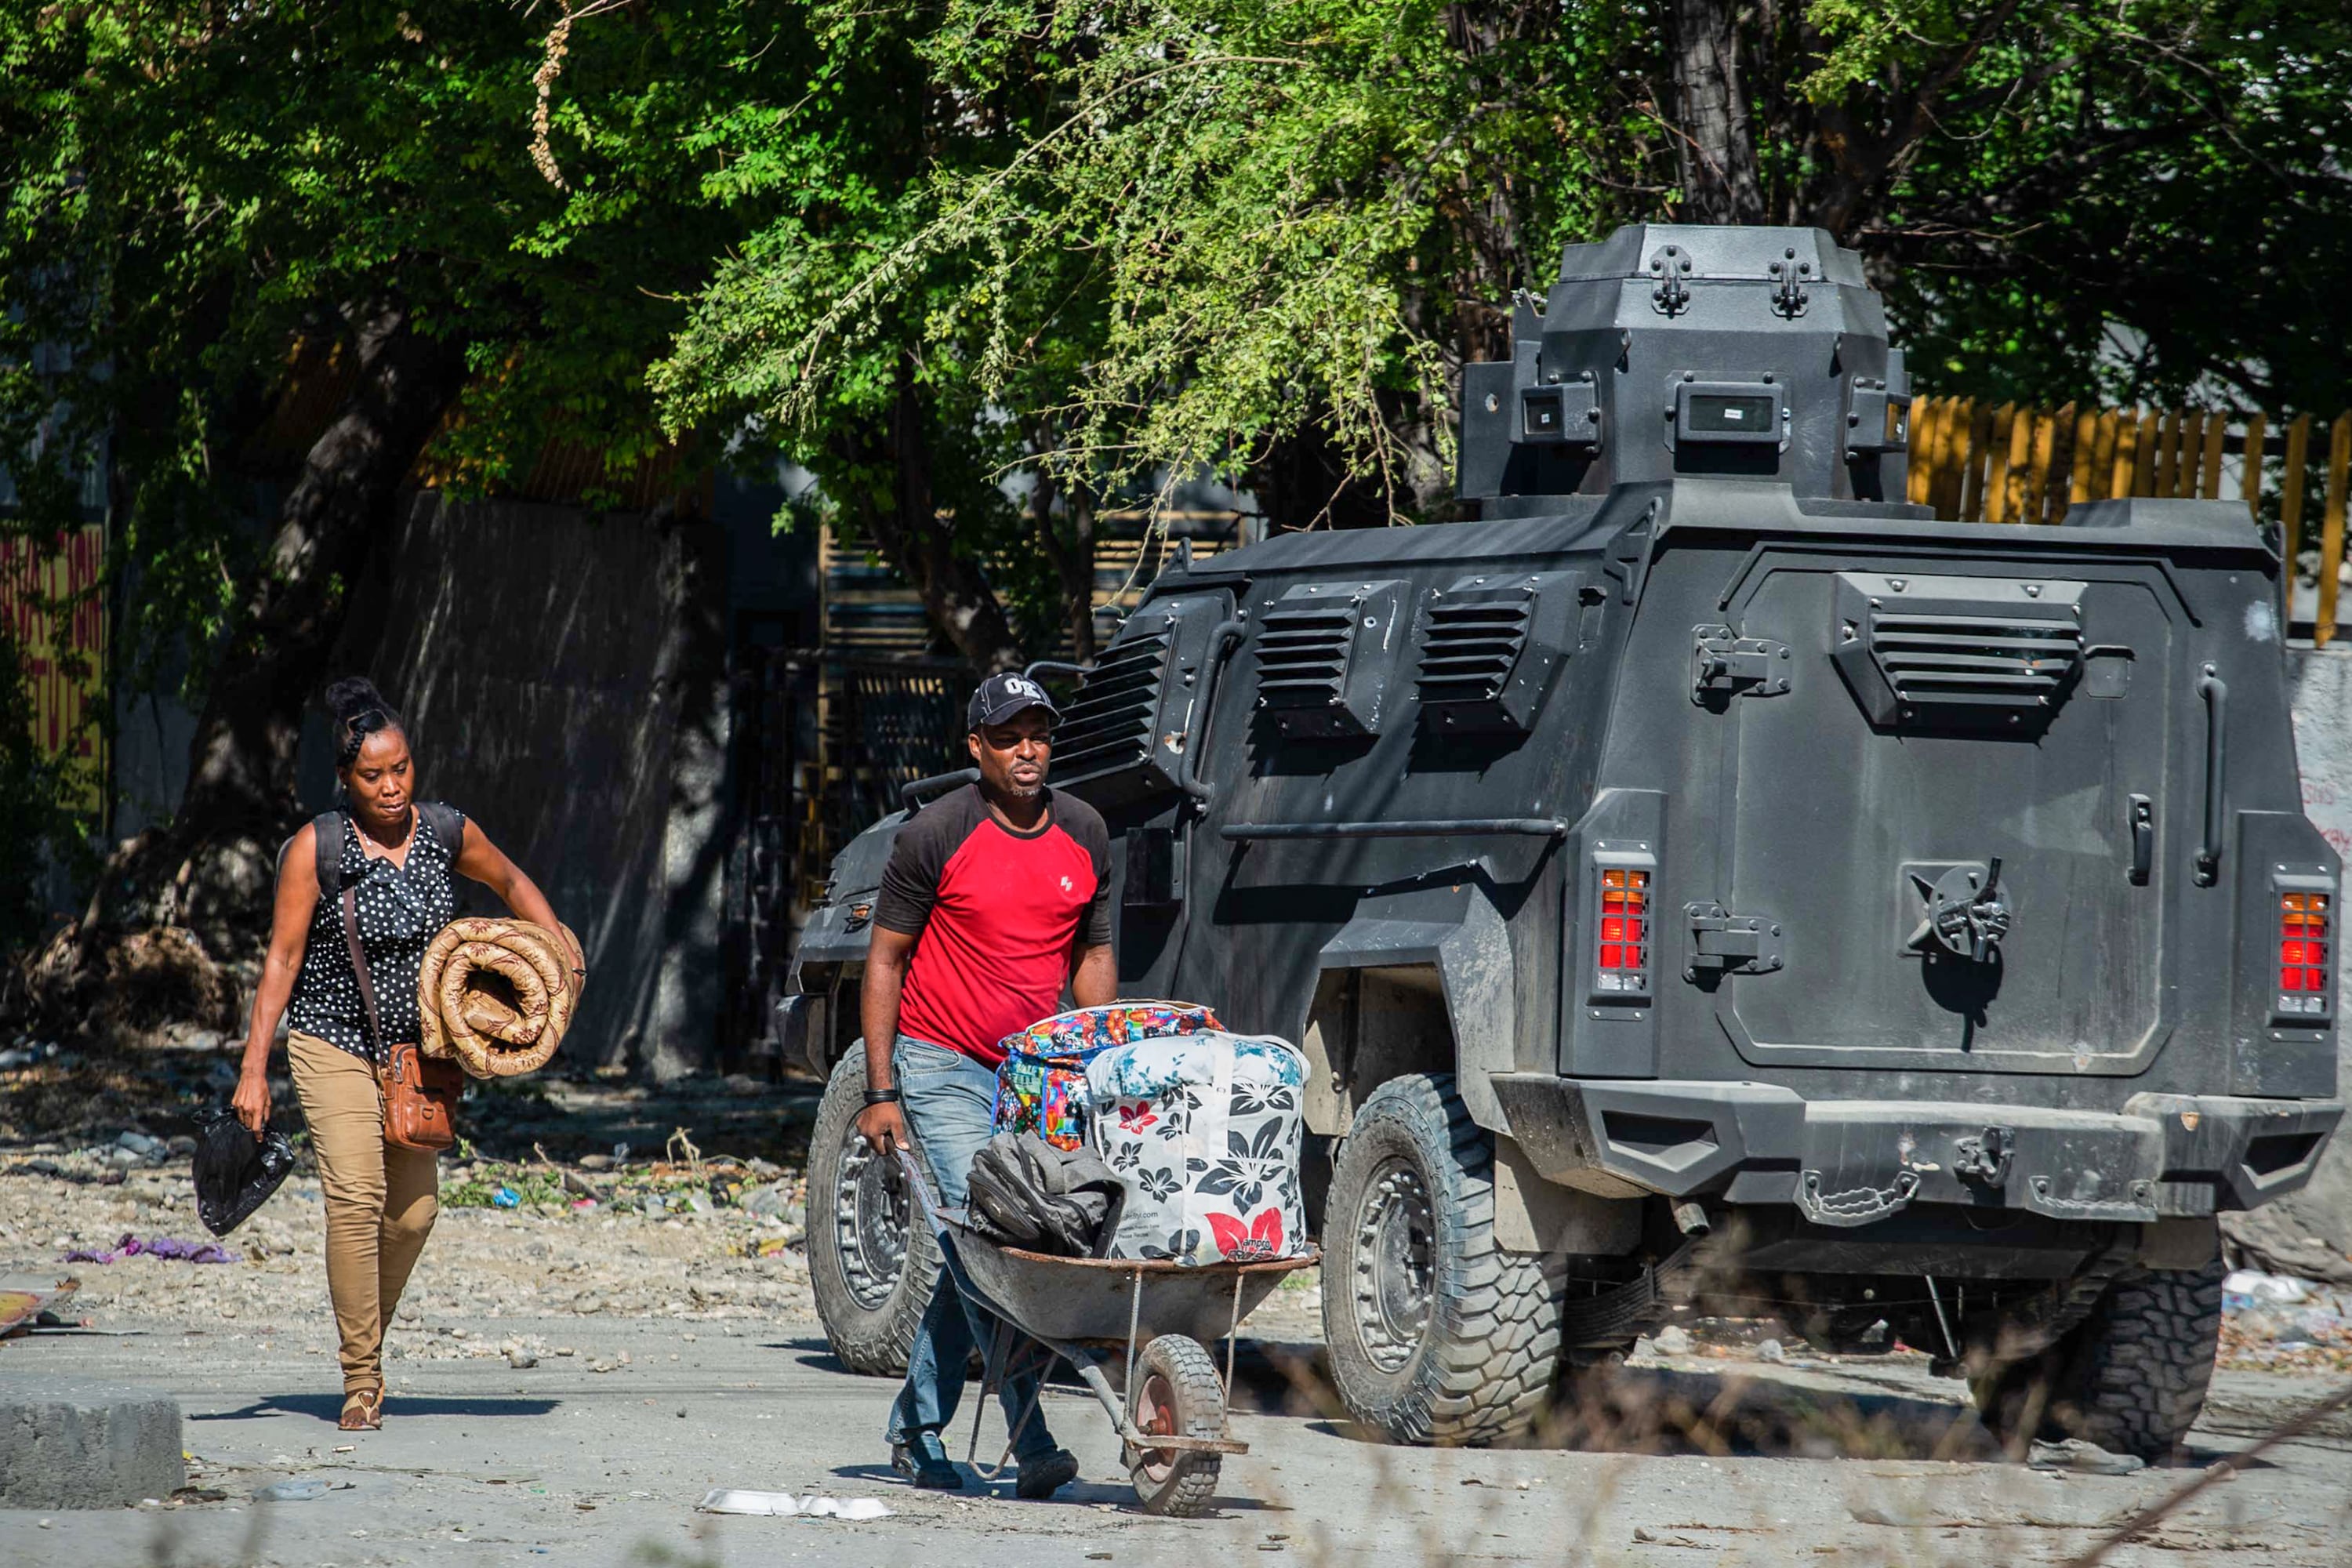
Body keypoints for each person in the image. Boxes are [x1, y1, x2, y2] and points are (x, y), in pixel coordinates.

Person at [230, 677, 574, 1432]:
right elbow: (281, 964)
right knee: (356, 1199)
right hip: (329, 1040)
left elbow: (511, 880)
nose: (391, 788)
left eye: (401, 769)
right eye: (372, 776)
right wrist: (254, 1070)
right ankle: (363, 1377)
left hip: (416, 1056)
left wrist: (562, 951)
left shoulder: (447, 832)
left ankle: (363, 1328)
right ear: (344, 779)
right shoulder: (316, 848)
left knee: (415, 1214)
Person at [858, 672, 1116, 1496]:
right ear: (977, 748)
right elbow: (885, 960)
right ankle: (1034, 1439)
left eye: (1038, 732)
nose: (1028, 749)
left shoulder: (1085, 832)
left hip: (1036, 1074)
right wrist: (879, 1088)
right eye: (1008, 736)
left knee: (987, 1249)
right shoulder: (935, 834)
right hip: (940, 1063)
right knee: (988, 1244)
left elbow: (1094, 955)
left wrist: (1093, 1060)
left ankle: (915, 1424)